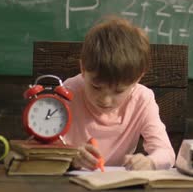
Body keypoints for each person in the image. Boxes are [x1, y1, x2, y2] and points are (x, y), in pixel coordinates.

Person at [63, 16, 175, 171]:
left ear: (138, 78)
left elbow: (166, 153)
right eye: (96, 87)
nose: (106, 100)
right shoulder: (67, 93)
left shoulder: (142, 99)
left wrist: (150, 162)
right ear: (82, 69)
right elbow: (42, 149)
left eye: (119, 91)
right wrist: (71, 158)